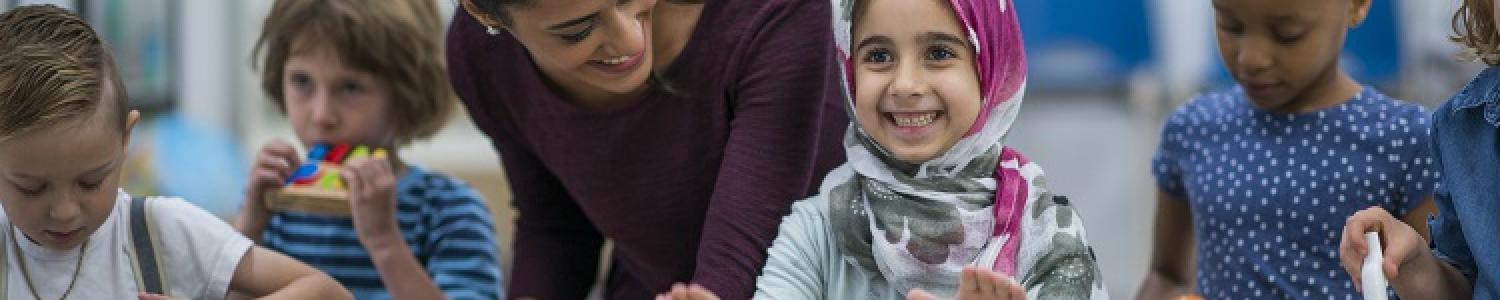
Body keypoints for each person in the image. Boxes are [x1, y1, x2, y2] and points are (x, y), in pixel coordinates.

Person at [658, 0, 1106, 298]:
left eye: (938, 53)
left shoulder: (1046, 238)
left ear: (992, 66)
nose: (905, 84)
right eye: (877, 57)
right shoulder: (818, 231)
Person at [448, 0, 848, 298]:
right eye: (576, 31)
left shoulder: (772, 9)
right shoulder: (482, 56)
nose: (630, 39)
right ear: (486, 14)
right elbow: (556, 226)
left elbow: (744, 253)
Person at [0, 5, 350, 299]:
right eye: (32, 188)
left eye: (90, 182)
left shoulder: (160, 232)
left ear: (125, 140)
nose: (64, 211)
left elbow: (326, 291)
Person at [1139, 0, 1439, 298]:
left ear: (1355, 6)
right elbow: (1166, 275)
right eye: (1230, 25)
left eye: (1287, 33)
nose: (1251, 58)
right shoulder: (1193, 129)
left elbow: (1434, 282)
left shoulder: (1405, 138)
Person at [234, 0, 502, 298]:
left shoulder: (448, 209)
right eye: (302, 81)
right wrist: (248, 229)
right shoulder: (276, 208)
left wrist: (384, 242)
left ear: (406, 94)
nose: (322, 115)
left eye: (350, 87)